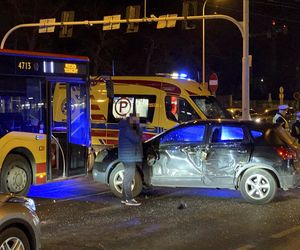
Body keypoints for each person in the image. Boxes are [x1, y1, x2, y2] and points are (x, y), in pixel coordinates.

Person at [118, 113, 143, 206]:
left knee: (127, 178)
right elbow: (137, 139)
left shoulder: (125, 127)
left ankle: (125, 198)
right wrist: (139, 127)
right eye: (136, 119)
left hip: (127, 156)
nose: (137, 120)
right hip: (129, 156)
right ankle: (129, 199)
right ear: (132, 118)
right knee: (128, 178)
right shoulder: (128, 128)